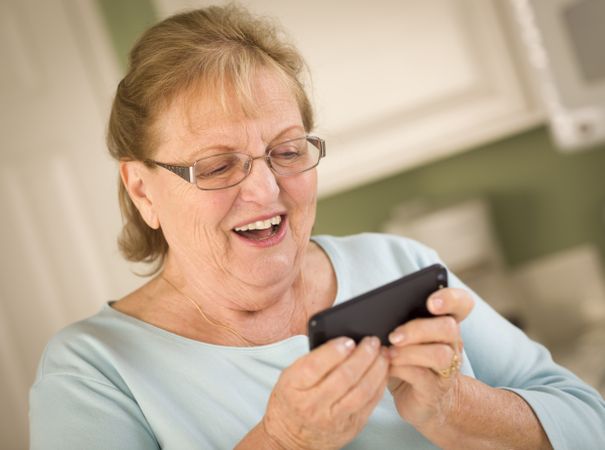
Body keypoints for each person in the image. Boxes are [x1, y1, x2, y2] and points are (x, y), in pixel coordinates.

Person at [29, 5, 605, 449]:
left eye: (286, 150)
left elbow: (590, 423)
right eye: (218, 165)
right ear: (142, 189)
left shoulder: (396, 265)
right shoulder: (94, 370)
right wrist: (282, 441)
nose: (266, 190)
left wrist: (461, 406)